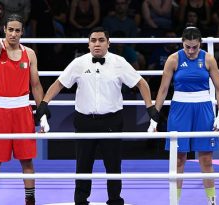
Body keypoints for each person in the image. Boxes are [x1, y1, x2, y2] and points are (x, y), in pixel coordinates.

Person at [35, 27, 156, 205]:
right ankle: (81, 200)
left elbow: (142, 84)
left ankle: (115, 200)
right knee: (83, 164)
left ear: (108, 43)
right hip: (84, 120)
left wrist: (150, 108)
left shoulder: (119, 62)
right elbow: (59, 84)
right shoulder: (79, 62)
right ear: (88, 43)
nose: (97, 44)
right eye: (93, 40)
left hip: (112, 120)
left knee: (113, 164)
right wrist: (44, 104)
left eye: (101, 40)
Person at [150, 27, 219, 205]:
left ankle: (212, 201)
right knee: (178, 158)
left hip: (204, 108)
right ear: (182, 43)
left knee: (206, 159)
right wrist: (154, 117)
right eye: (187, 47)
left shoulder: (208, 58)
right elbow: (162, 90)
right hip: (180, 109)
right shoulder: (173, 59)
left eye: (194, 47)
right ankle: (174, 201)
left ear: (200, 43)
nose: (191, 51)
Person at [0, 7, 48, 205]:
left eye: (17, 30)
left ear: (22, 32)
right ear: (4, 29)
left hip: (23, 111)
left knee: (27, 161)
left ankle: (30, 201)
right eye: (10, 29)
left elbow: (36, 84)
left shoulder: (29, 54)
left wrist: (43, 113)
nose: (13, 34)